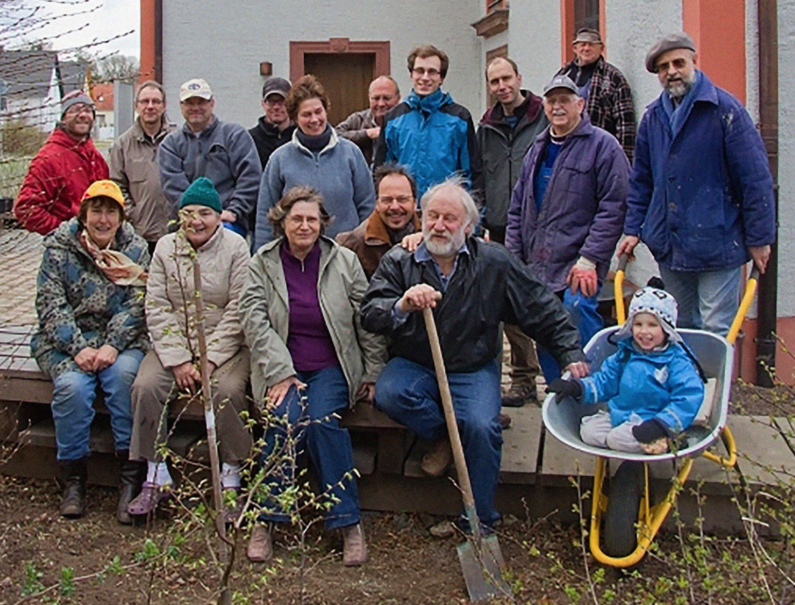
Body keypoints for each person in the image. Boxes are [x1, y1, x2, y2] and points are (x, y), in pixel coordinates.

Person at [361, 178, 586, 531]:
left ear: (468, 226)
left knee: (482, 427)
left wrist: (570, 351)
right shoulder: (400, 260)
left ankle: (479, 520)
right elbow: (370, 313)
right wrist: (401, 304)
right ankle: (446, 436)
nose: (438, 225)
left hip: (472, 367)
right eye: (432, 216)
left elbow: (542, 309)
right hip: (417, 363)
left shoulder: (493, 263)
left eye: (449, 218)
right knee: (390, 393)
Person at [240, 187, 385, 566]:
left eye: (311, 219)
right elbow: (254, 321)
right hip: (281, 368)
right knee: (284, 421)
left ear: (322, 223)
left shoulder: (344, 261)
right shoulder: (262, 263)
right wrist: (280, 371)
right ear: (281, 222)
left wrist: (372, 370)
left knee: (322, 423)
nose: (304, 225)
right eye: (296, 219)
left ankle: (347, 522)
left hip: (331, 367)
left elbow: (365, 319)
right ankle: (266, 518)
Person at [617, 32, 776, 335]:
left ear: (694, 61)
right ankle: (687, 384)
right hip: (670, 244)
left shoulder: (724, 111)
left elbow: (755, 179)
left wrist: (759, 239)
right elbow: (642, 181)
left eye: (678, 62)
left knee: (716, 330)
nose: (671, 71)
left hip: (718, 241)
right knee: (678, 327)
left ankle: (715, 385)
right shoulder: (653, 118)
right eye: (663, 67)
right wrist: (632, 229)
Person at [127, 177, 252, 517]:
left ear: (219, 216)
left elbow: (240, 308)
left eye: (205, 213)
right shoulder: (167, 247)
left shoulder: (236, 247)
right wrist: (179, 359)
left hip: (223, 345)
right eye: (188, 213)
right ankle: (156, 475)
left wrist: (209, 360)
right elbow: (156, 305)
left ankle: (231, 478)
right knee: (146, 386)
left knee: (227, 390)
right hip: (175, 343)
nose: (196, 221)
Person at [31, 180, 149, 522]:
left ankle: (130, 478)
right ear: (84, 214)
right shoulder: (58, 248)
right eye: (96, 210)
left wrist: (112, 344)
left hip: (121, 341)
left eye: (111, 211)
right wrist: (79, 348)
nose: (103, 219)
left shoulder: (136, 249)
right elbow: (50, 304)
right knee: (72, 388)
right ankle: (74, 479)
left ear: (120, 217)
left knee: (124, 378)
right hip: (67, 342)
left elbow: (140, 304)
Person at [507, 75, 629, 382]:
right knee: (545, 324)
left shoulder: (603, 146)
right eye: (552, 101)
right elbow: (518, 207)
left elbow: (614, 206)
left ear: (581, 105)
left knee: (576, 313)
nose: (557, 107)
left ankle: (596, 392)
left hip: (579, 263)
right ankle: (558, 394)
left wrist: (590, 258)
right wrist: (513, 260)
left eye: (565, 100)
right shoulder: (538, 148)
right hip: (538, 264)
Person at [548, 285, 704, 455]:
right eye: (638, 324)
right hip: (621, 414)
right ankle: (638, 446)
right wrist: (577, 387)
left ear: (666, 329)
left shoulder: (675, 361)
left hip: (654, 420)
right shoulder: (625, 354)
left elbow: (688, 396)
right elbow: (605, 381)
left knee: (618, 439)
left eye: (652, 325)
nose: (644, 332)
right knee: (589, 433)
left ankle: (670, 441)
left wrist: (662, 424)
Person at [477, 56, 548, 407]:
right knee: (510, 305)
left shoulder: (544, 118)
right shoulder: (486, 127)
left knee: (548, 302)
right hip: (502, 227)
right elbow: (479, 176)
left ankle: (560, 379)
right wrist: (483, 220)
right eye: (494, 82)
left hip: (544, 228)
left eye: (507, 78)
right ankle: (523, 377)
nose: (502, 86)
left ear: (519, 78)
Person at [253, 75, 375, 250]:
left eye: (318, 111)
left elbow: (367, 206)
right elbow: (266, 215)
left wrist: (361, 247)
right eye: (306, 114)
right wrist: (263, 256)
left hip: (346, 257)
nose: (314, 119)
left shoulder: (351, 154)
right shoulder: (279, 159)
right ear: (295, 118)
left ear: (326, 110)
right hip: (296, 256)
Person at [373, 45, 482, 200]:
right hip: (405, 213)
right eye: (419, 71)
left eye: (432, 72)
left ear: (441, 78)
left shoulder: (459, 118)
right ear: (411, 74)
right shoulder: (393, 119)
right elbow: (382, 173)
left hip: (445, 212)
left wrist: (474, 218)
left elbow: (472, 173)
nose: (425, 77)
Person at [159, 78, 261, 237]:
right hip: (186, 226)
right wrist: (197, 217)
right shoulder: (170, 145)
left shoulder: (234, 136)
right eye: (189, 103)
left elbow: (250, 178)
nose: (195, 108)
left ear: (212, 103)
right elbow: (174, 188)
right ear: (181, 107)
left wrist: (234, 211)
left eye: (201, 102)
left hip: (228, 223)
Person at [14, 91, 109, 235]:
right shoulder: (48, 159)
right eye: (75, 110)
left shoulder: (95, 158)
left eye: (88, 110)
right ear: (63, 118)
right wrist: (65, 233)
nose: (83, 115)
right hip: (65, 250)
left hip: (97, 243)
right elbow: (26, 209)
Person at [110, 80, 174, 254]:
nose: (150, 106)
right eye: (145, 101)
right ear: (136, 106)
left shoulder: (178, 141)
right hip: (139, 235)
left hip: (174, 234)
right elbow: (117, 187)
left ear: (164, 106)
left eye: (156, 101)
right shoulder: (122, 145)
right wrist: (134, 215)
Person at [557, 28, 636, 161]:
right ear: (574, 48)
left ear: (601, 48)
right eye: (582, 44)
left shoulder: (613, 77)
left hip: (599, 154)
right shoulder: (563, 75)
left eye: (592, 44)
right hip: (565, 152)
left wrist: (623, 160)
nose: (586, 48)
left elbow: (625, 124)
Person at [336, 163, 420, 279]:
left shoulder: (432, 232)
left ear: (415, 203)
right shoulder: (355, 244)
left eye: (402, 199)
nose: (395, 207)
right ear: (376, 203)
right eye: (387, 200)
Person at [335, 75, 401, 165]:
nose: (381, 104)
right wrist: (367, 134)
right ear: (369, 98)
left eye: (386, 98)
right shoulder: (358, 120)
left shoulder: (405, 123)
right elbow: (335, 136)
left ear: (398, 98)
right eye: (376, 98)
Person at [248, 77, 297, 170]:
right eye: (271, 102)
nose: (276, 107)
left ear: (291, 103)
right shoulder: (251, 139)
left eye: (282, 101)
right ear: (263, 104)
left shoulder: (299, 137)